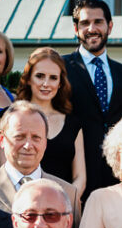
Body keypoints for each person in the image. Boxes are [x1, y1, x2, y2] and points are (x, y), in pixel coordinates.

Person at [63, 0, 122, 197]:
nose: (91, 28)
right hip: (73, 173)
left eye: (98, 22)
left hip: (119, 177)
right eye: (85, 23)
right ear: (75, 28)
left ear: (110, 26)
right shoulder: (60, 69)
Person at [0, 101, 81, 228]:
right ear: (1, 139)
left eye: (36, 137)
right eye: (20, 137)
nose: (28, 145)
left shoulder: (69, 193)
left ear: (45, 142)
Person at [16, 47, 87, 193]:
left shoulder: (73, 124)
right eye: (40, 76)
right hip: (20, 207)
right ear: (28, 79)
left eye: (53, 78)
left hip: (63, 208)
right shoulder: (10, 117)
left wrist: (61, 205)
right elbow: (4, 170)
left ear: (60, 83)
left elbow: (80, 177)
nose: (46, 83)